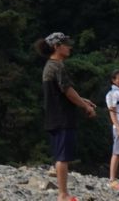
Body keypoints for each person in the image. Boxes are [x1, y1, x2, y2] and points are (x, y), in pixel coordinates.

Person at [38, 31, 97, 201]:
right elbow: (67, 91)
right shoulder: (57, 66)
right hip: (61, 117)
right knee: (63, 157)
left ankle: (63, 193)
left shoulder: (51, 65)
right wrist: (86, 106)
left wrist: (84, 100)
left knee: (60, 155)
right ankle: (63, 194)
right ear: (57, 47)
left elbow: (64, 91)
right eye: (66, 44)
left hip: (55, 117)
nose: (69, 47)